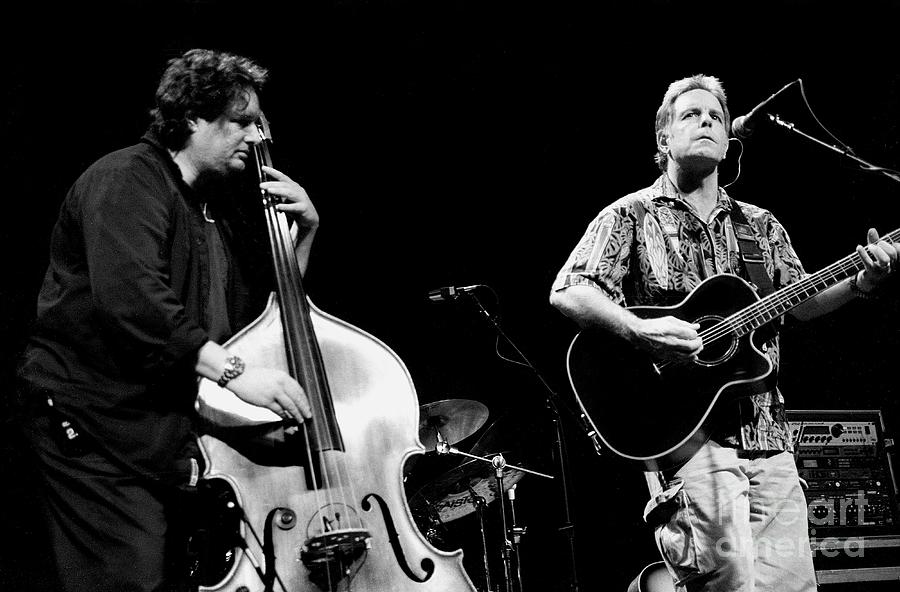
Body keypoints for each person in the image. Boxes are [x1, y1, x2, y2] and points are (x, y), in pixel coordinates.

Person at [549, 74, 897, 591]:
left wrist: (863, 283)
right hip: (687, 437)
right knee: (727, 583)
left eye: (714, 115)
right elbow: (569, 291)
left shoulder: (760, 225)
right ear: (663, 137)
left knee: (794, 585)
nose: (706, 121)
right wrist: (639, 332)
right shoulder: (630, 214)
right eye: (691, 114)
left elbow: (800, 303)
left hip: (770, 436)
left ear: (729, 140)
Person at [16, 48, 317, 592]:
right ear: (192, 118)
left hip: (164, 434)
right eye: (241, 123)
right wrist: (235, 374)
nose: (256, 137)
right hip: (95, 426)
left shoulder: (215, 207)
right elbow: (134, 302)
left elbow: (265, 322)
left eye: (258, 124)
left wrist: (307, 235)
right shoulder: (125, 180)